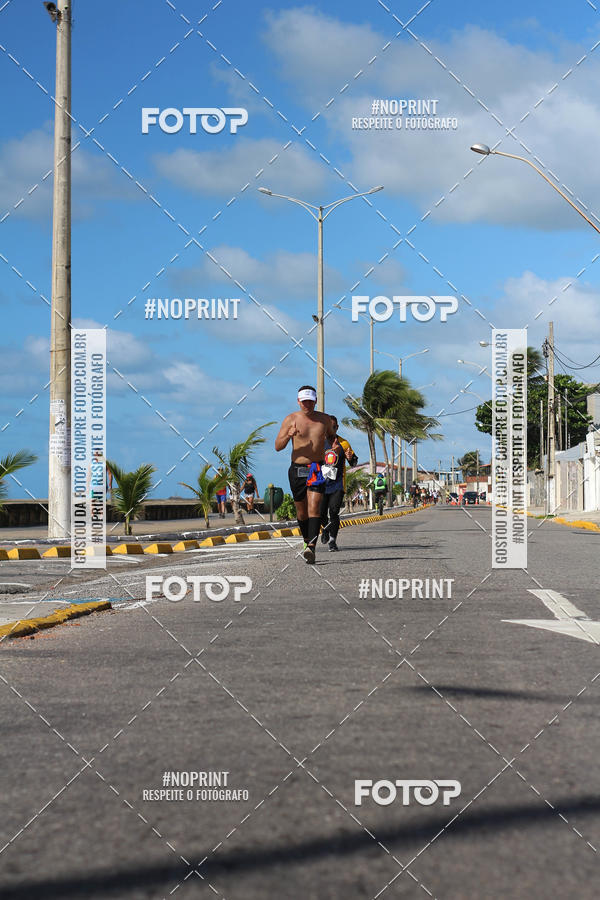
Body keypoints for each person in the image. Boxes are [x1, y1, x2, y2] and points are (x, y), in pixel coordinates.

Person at [274, 385, 335, 564]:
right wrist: (289, 435)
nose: (307, 404)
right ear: (298, 401)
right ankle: (306, 541)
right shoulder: (290, 419)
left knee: (314, 508)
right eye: (304, 401)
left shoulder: (324, 420)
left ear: (315, 400)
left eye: (310, 400)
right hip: (297, 469)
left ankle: (312, 548)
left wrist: (335, 446)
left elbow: (332, 437)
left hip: (317, 467)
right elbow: (278, 446)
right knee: (301, 512)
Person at [320, 415, 357, 552]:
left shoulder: (344, 443)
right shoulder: (319, 442)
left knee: (334, 511)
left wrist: (350, 458)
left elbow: (353, 462)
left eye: (334, 427)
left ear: (337, 428)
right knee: (321, 513)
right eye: (329, 427)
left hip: (338, 484)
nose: (331, 430)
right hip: (322, 483)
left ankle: (332, 541)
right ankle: (325, 529)